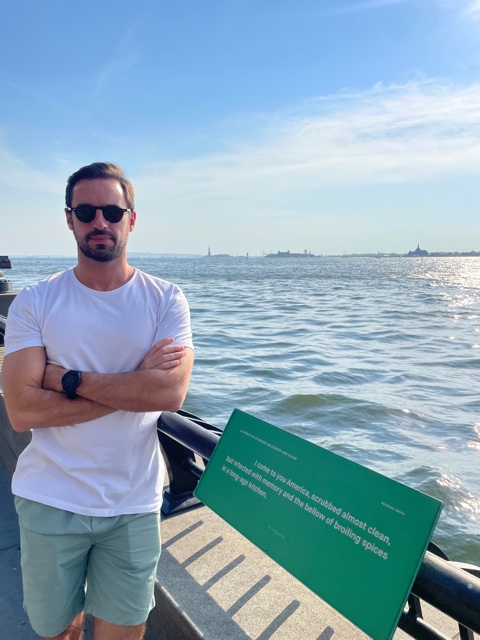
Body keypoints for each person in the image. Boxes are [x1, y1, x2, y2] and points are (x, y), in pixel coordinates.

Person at [2, 162, 194, 640]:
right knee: (57, 633)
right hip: (49, 498)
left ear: (132, 219)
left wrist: (65, 379)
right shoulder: (35, 301)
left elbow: (169, 393)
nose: (99, 222)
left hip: (133, 504)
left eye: (112, 211)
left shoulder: (166, 300)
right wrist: (135, 384)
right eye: (86, 211)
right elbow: (22, 411)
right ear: (70, 219)